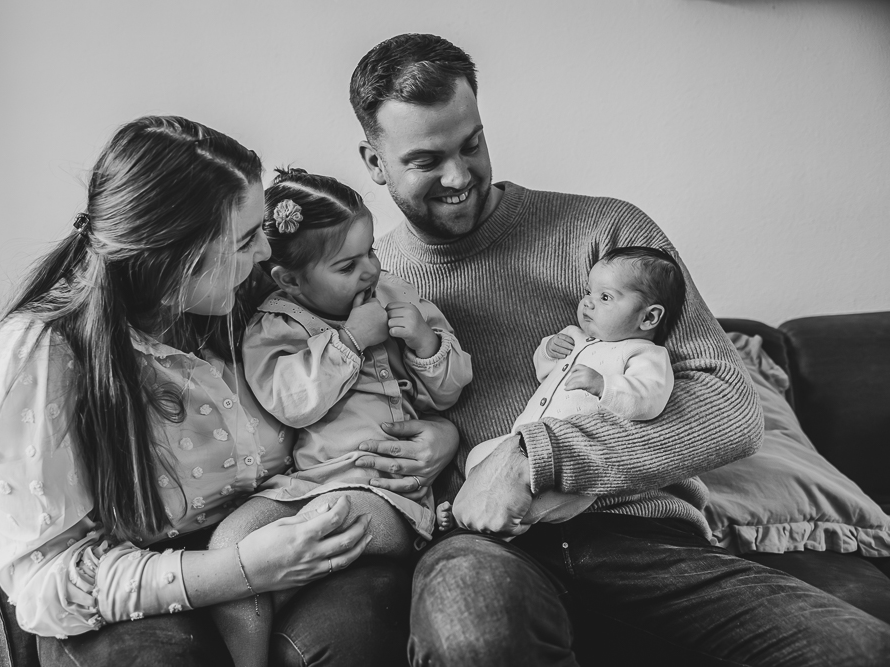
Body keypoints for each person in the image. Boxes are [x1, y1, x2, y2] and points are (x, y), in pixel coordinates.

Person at [349, 33, 890, 666]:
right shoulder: (362, 279)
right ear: (373, 160)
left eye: (472, 144)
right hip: (485, 546)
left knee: (862, 650)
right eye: (426, 159)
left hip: (647, 536)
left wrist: (539, 456)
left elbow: (730, 407)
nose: (459, 176)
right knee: (476, 635)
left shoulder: (607, 234)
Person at [0, 116, 457, 667]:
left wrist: (443, 433)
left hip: (279, 522)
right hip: (145, 583)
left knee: (355, 630)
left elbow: (374, 377)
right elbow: (45, 587)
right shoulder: (43, 355)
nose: (267, 253)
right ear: (171, 255)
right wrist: (243, 569)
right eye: (245, 239)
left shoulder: (246, 303)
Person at [206, 167, 472, 667]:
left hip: (388, 493)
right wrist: (349, 341)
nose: (370, 270)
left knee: (320, 525)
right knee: (232, 543)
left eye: (371, 251)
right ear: (290, 279)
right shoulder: (274, 325)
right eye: (348, 266)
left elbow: (450, 391)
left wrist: (424, 342)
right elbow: (291, 401)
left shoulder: (396, 296)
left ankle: (271, 598)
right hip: (304, 483)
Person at [437, 245, 682, 532]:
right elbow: (545, 374)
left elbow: (648, 398)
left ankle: (508, 527)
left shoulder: (643, 354)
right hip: (520, 443)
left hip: (572, 465)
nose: (588, 303)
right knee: (480, 456)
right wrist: (549, 351)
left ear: (649, 318)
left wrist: (604, 385)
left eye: (605, 297)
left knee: (549, 498)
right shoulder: (574, 337)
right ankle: (466, 511)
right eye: (588, 293)